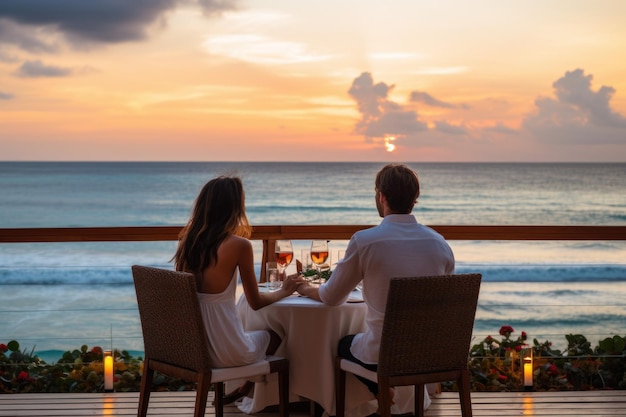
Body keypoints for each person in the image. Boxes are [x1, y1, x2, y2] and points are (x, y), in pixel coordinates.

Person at [296, 163, 455, 408]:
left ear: (381, 196)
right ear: (415, 199)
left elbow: (332, 298)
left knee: (341, 343)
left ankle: (376, 391)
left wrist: (305, 288)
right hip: (428, 355)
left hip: (382, 355)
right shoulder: (439, 243)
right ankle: (385, 393)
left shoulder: (365, 241)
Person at [173, 175, 303, 404]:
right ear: (235, 209)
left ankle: (245, 388)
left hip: (194, 350)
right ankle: (249, 387)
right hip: (225, 352)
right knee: (275, 334)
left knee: (252, 332)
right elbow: (255, 302)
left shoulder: (187, 243)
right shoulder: (239, 245)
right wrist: (285, 290)